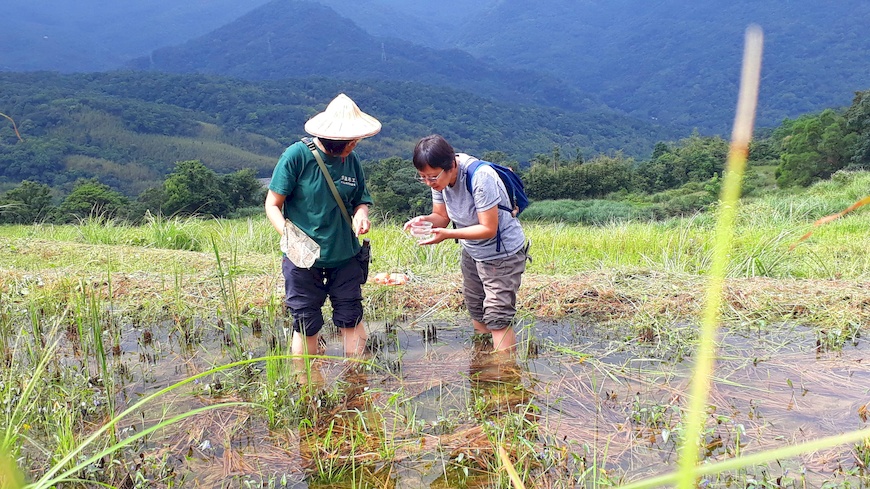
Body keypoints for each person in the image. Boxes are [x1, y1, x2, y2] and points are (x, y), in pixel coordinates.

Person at [265, 93, 380, 357]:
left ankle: (356, 385)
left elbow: (360, 200)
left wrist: (361, 214)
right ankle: (307, 386)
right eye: (352, 141)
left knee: (350, 316)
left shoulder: (351, 161)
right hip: (302, 258)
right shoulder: (297, 156)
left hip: (345, 255)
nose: (354, 144)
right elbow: (272, 204)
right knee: (306, 323)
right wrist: (290, 237)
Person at [404, 134, 529, 352]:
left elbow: (488, 229)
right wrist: (424, 220)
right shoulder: (439, 182)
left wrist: (447, 235)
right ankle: (482, 360)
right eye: (422, 177)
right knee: (476, 308)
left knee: (497, 315)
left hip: (502, 255)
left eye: (432, 177)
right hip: (472, 251)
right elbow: (441, 217)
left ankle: (506, 376)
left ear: (451, 165)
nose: (428, 183)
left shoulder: (481, 178)